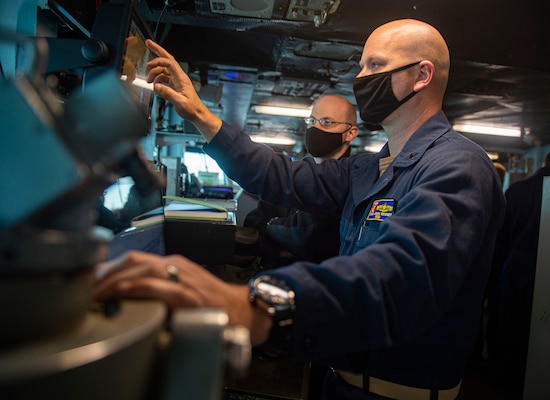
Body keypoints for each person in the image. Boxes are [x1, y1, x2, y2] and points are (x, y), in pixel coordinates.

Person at [94, 19, 505, 400]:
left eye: (376, 65)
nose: (360, 79)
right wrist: (201, 115)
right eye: (361, 67)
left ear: (422, 75)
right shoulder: (372, 168)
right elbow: (281, 177)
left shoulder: (457, 166)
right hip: (338, 381)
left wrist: (254, 306)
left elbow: (404, 275)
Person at [243, 94, 358, 268]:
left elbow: (310, 242)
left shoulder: (354, 181)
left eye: (327, 122)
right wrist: (274, 247)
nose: (315, 128)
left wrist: (270, 231)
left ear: (350, 133)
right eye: (312, 120)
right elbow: (254, 224)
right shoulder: (293, 173)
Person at [490, 152, 550, 396]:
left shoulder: (516, 192)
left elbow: (499, 241)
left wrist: (492, 283)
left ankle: (505, 384)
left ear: (544, 162)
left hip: (514, 273)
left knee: (511, 332)